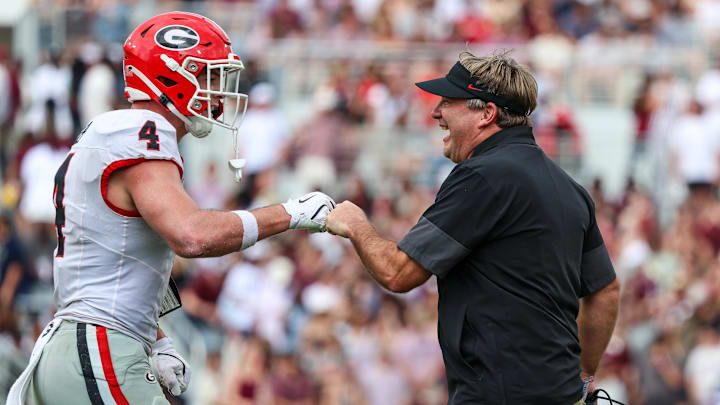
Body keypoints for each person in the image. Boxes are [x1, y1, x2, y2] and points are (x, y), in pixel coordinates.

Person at [8, 12, 335, 405]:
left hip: (83, 345)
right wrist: (291, 213)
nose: (218, 90)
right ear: (170, 75)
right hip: (97, 347)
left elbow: (122, 255)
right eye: (209, 76)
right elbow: (192, 236)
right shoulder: (141, 132)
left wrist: (158, 339)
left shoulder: (117, 134)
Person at [326, 50, 620, 405]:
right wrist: (584, 376)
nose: (435, 112)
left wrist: (356, 224)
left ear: (486, 113)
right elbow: (605, 292)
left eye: (449, 102)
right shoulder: (570, 189)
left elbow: (397, 273)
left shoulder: (483, 175)